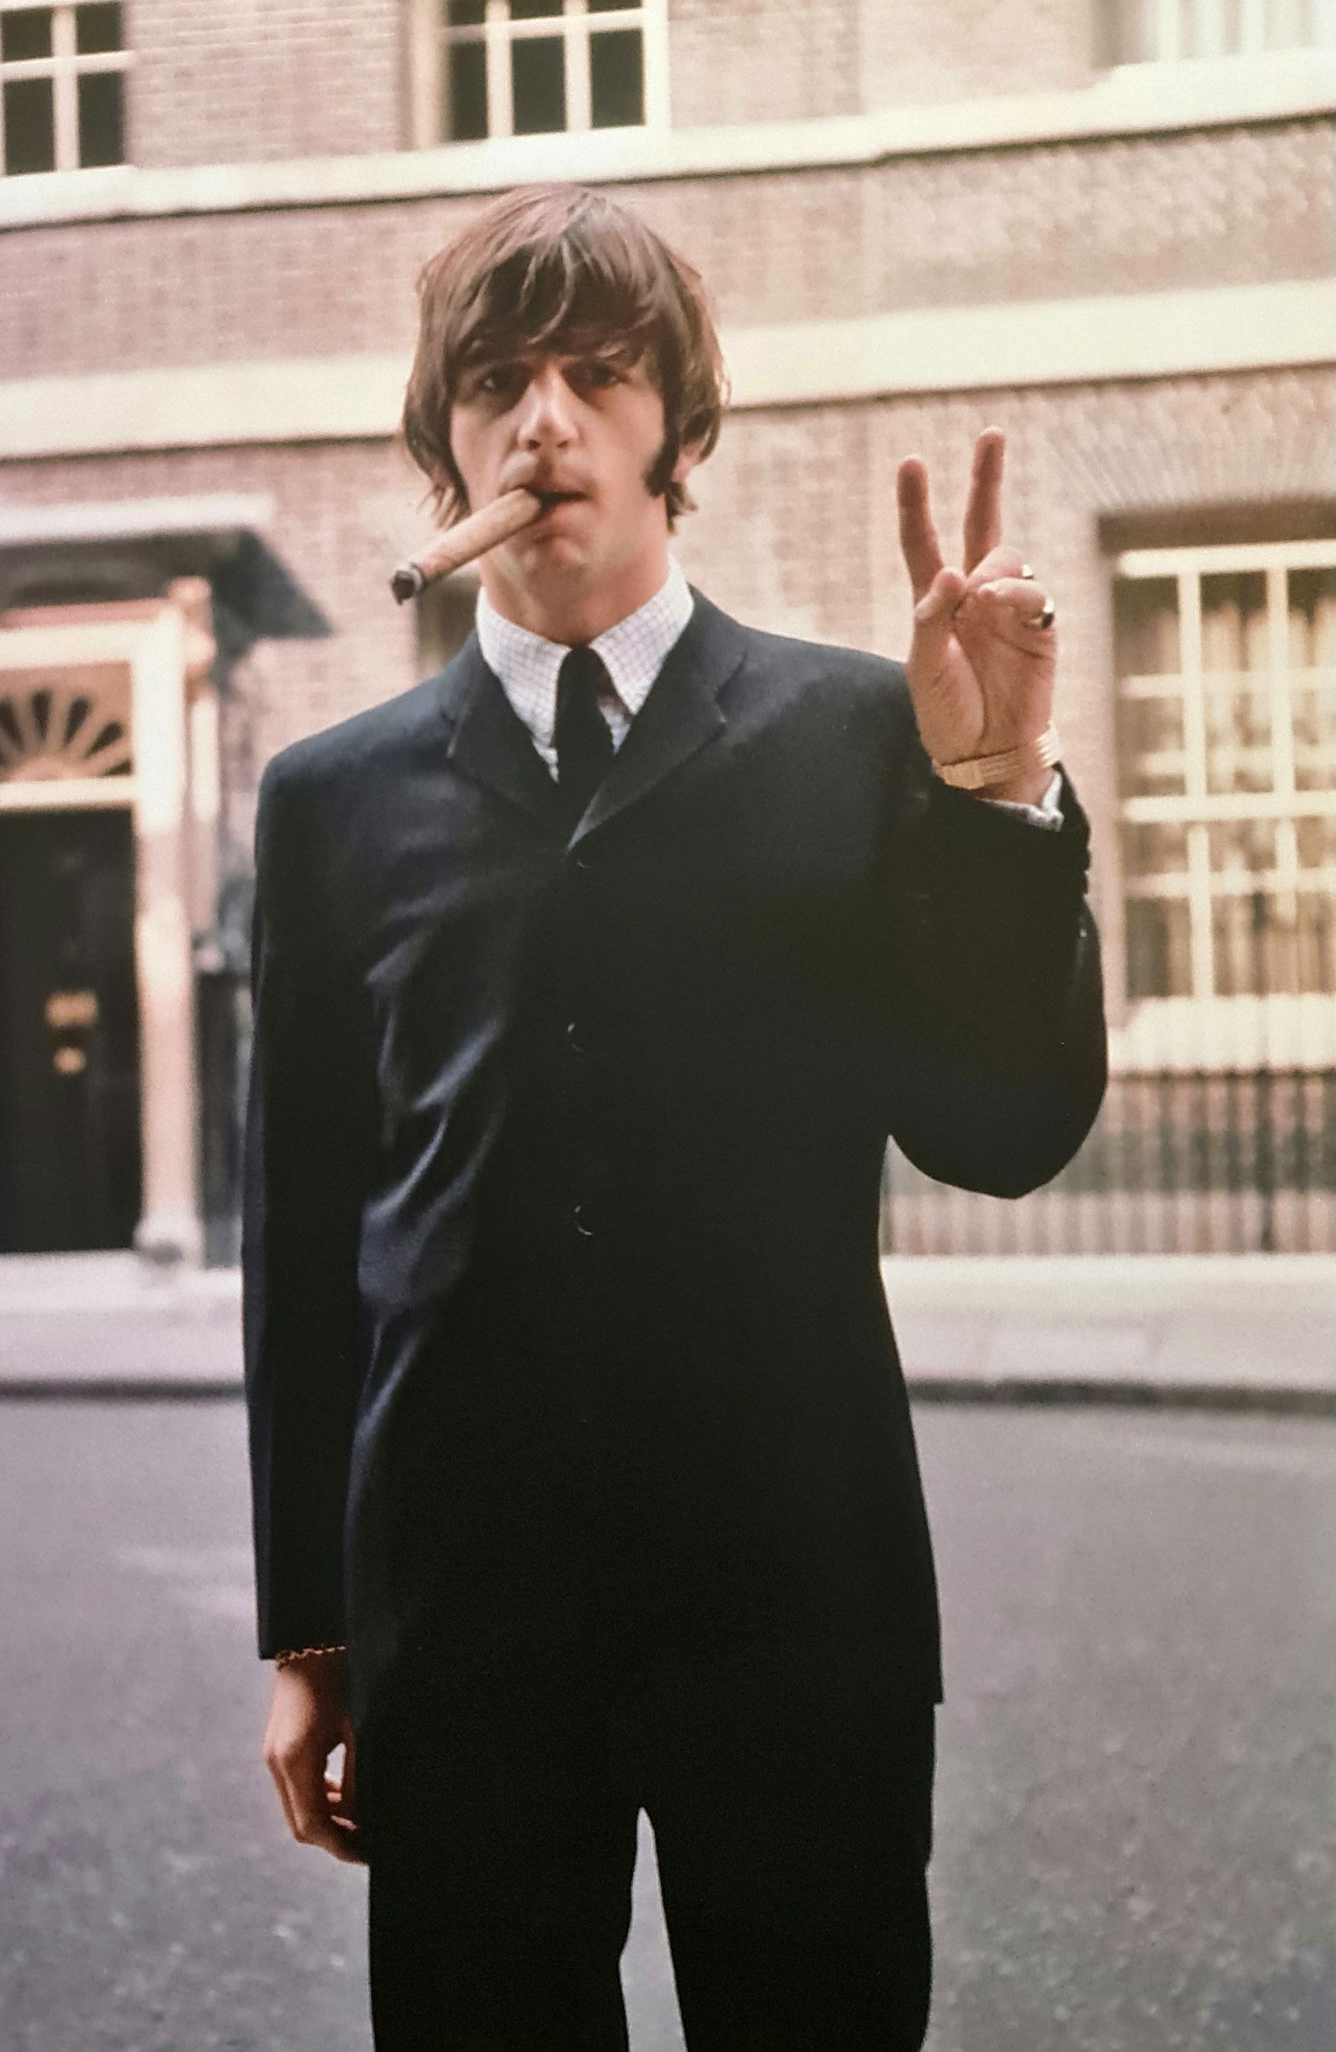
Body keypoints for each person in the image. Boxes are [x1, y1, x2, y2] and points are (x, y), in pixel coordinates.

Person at [242, 182, 1105, 2051]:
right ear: (439, 437)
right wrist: (309, 1631)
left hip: (795, 1598)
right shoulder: (333, 799)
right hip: (462, 1625)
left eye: (596, 375)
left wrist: (997, 802)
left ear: (680, 432)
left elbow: (1005, 1124)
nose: (541, 419)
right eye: (495, 379)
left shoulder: (873, 732)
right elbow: (308, 1238)